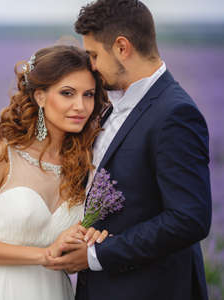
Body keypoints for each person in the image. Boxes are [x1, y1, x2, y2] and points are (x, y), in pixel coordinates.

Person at [44, 1, 212, 300]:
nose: (91, 66)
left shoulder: (175, 113)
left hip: (149, 289)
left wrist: (96, 255)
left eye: (94, 55)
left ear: (122, 47)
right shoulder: (112, 106)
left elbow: (189, 218)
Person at [0, 45, 110, 299]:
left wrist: (93, 238)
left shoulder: (86, 163)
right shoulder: (2, 153)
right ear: (40, 96)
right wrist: (43, 255)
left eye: (89, 94)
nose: (80, 106)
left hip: (54, 291)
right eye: (67, 93)